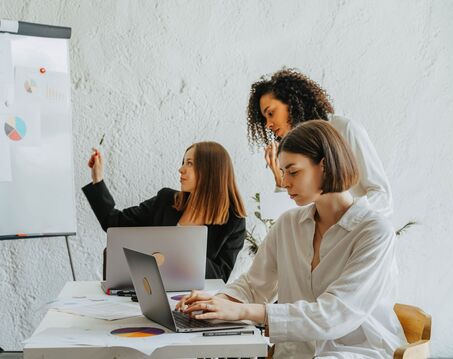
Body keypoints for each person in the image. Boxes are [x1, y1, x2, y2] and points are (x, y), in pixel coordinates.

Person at [177, 121, 406, 358]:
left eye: (293, 171)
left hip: (357, 351)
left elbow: (335, 315)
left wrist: (242, 311)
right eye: (283, 172)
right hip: (296, 350)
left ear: (325, 165)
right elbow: (255, 284)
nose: (285, 182)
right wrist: (214, 302)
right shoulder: (288, 224)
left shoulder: (374, 232)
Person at [82, 141, 247, 282]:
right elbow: (113, 223)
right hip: (150, 291)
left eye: (189, 163)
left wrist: (184, 248)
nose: (181, 169)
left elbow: (220, 277)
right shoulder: (166, 200)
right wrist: (98, 178)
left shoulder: (233, 221)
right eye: (183, 162)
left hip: (193, 300)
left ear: (211, 171)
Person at [247, 68, 393, 217]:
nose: (268, 124)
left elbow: (382, 197)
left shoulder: (344, 130)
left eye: (270, 113)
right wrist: (280, 178)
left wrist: (344, 220)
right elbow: (286, 219)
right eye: (264, 119)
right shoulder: (291, 151)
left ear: (292, 103)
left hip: (356, 235)